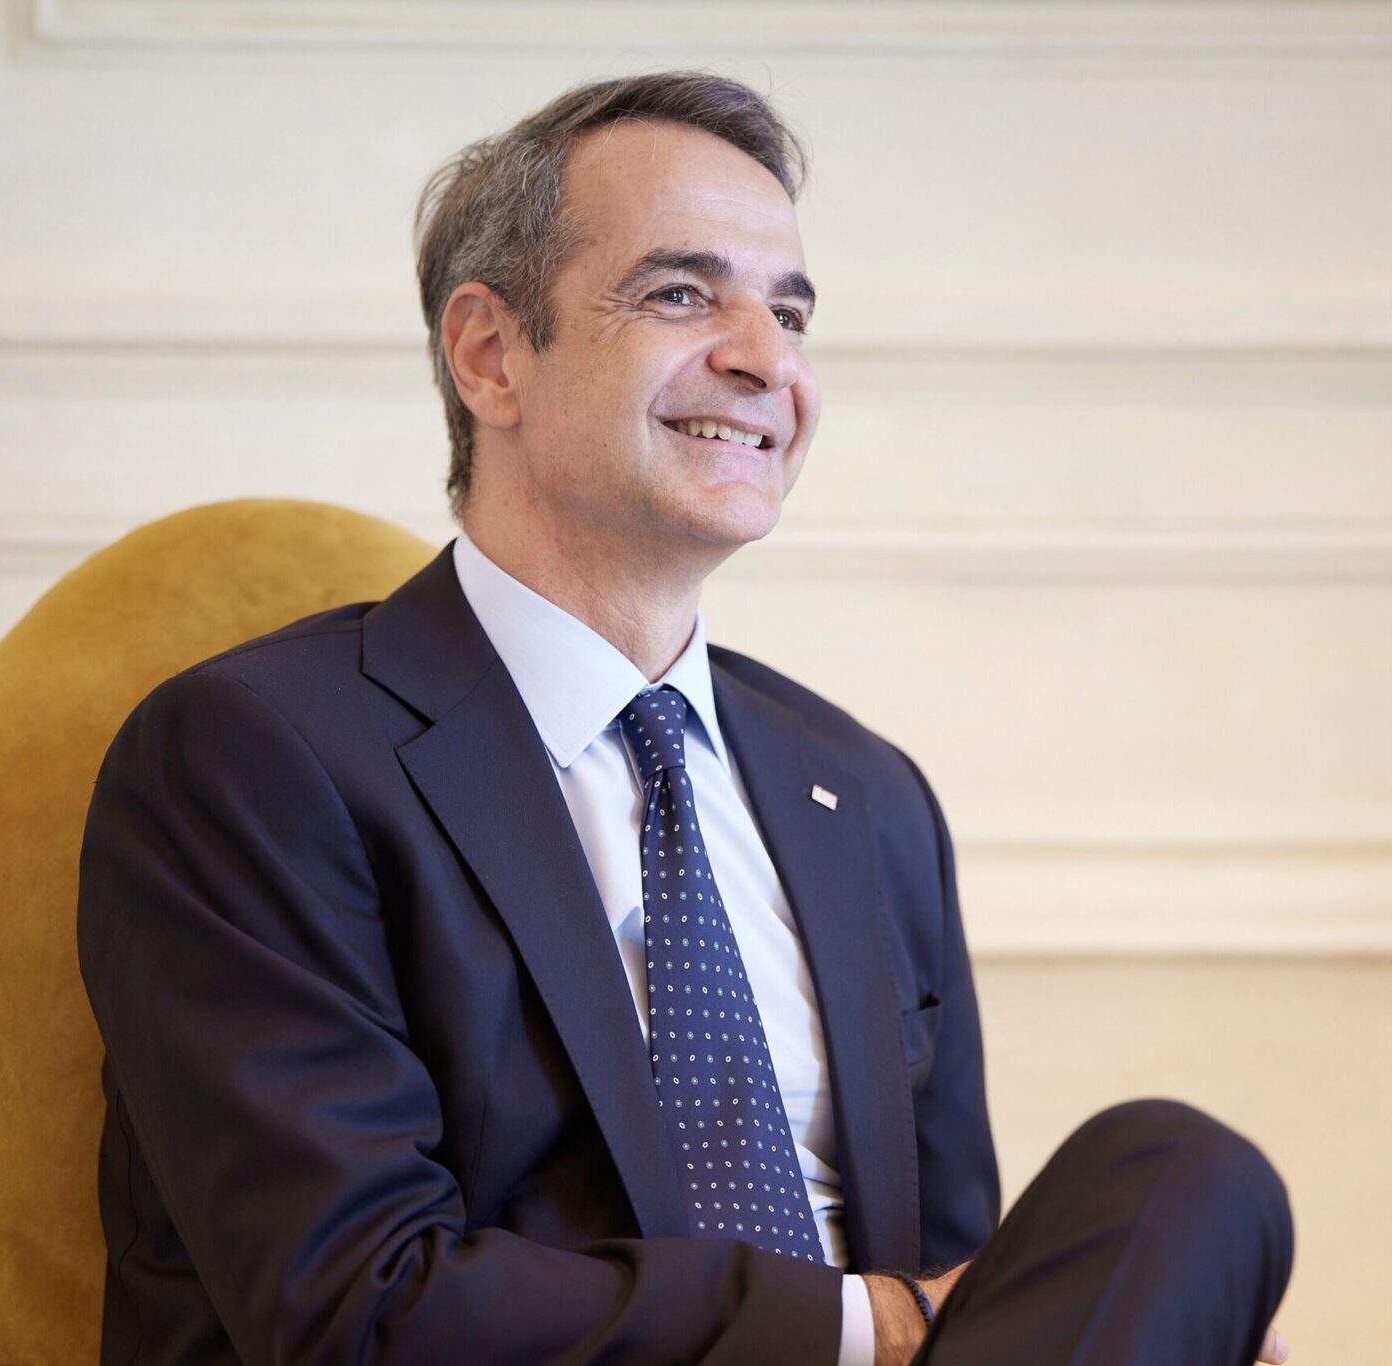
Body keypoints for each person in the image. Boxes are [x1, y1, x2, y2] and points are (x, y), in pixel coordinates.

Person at [77, 71, 1294, 1365]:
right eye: (680, 294)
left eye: (790, 312)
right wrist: (870, 1325)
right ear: (491, 355)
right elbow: (356, 1306)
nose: (768, 360)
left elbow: (968, 1293)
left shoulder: (867, 793)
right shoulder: (255, 757)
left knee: (1182, 1176)